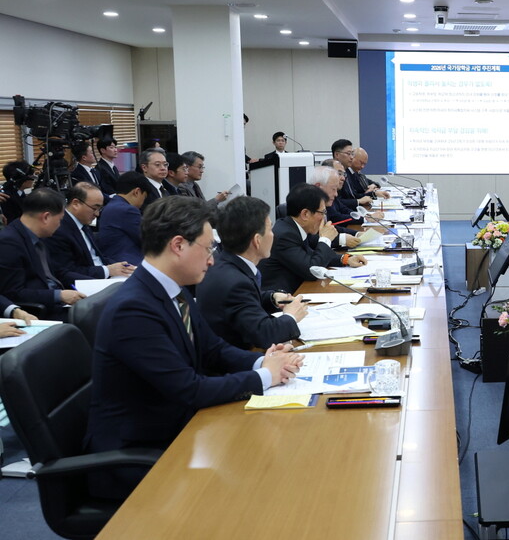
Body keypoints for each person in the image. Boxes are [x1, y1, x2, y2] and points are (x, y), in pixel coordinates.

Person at [85, 196, 304, 500]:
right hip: (139, 454)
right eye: (208, 248)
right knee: (263, 480)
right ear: (178, 245)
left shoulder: (173, 289)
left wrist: (264, 361)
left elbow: (212, 349)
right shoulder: (133, 310)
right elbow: (189, 389)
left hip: (178, 427)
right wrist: (266, 376)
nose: (212, 260)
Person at [198, 197, 305, 349]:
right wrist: (291, 316)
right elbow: (264, 334)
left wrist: (272, 298)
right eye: (270, 229)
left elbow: (244, 303)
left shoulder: (225, 263)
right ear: (257, 240)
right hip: (237, 358)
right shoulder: (235, 282)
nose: (273, 235)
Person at [257, 183, 367, 293]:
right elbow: (313, 270)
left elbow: (313, 255)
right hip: (283, 297)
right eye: (322, 212)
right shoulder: (285, 236)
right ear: (305, 214)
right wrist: (326, 239)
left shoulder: (298, 228)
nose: (324, 218)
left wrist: (345, 259)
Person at [0, 188, 86, 319]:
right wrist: (58, 295)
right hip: (40, 312)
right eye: (60, 220)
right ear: (46, 217)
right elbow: (13, 293)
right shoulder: (8, 243)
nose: (59, 225)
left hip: (59, 302)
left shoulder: (38, 236)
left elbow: (58, 272)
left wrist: (96, 283)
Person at [44, 182, 135, 286]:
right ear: (76, 203)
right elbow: (66, 272)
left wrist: (123, 267)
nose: (97, 214)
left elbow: (96, 258)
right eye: (94, 208)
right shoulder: (59, 229)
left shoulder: (83, 224)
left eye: (100, 209)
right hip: (87, 284)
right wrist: (107, 271)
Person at [98, 171, 152, 265]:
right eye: (144, 197)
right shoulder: (128, 210)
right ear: (137, 192)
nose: (142, 203)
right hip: (128, 263)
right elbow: (147, 239)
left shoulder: (112, 205)